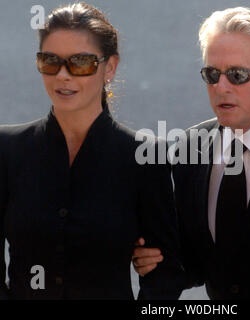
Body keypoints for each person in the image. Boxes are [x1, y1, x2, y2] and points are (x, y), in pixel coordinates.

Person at [0, 2, 184, 300]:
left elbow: (165, 274)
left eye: (80, 62)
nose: (63, 75)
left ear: (109, 67)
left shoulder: (145, 157)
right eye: (50, 61)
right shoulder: (7, 150)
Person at [133, 7, 250, 299]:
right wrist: (156, 257)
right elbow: (196, 261)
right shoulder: (191, 147)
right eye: (212, 74)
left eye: (237, 75)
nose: (221, 87)